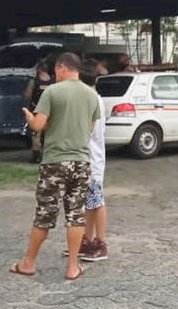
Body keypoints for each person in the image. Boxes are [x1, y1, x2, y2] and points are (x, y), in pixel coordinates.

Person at [10, 53, 101, 281]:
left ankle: (28, 263)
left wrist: (30, 118)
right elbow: (89, 128)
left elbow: (39, 126)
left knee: (45, 215)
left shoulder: (51, 91)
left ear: (62, 68)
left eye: (56, 71)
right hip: (81, 162)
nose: (54, 75)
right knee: (75, 215)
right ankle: (72, 267)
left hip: (54, 162)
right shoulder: (92, 95)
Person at [70, 59, 109, 262]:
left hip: (91, 160)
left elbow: (87, 130)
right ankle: (87, 240)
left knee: (96, 201)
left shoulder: (91, 99)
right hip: (89, 158)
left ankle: (100, 243)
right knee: (89, 203)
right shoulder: (93, 97)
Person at [24, 60, 54, 163]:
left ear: (39, 69)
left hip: (36, 110)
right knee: (49, 134)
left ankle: (36, 157)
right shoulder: (53, 81)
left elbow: (27, 94)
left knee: (36, 134)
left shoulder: (34, 81)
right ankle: (48, 156)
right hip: (50, 111)